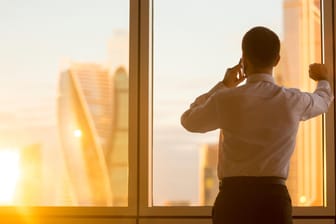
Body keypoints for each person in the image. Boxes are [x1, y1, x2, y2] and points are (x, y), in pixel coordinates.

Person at [180, 26, 333, 224]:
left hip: (233, 200)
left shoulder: (226, 99)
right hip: (273, 201)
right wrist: (322, 79)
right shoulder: (292, 100)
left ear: (243, 58)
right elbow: (323, 100)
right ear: (277, 60)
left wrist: (224, 85)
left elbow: (189, 120)